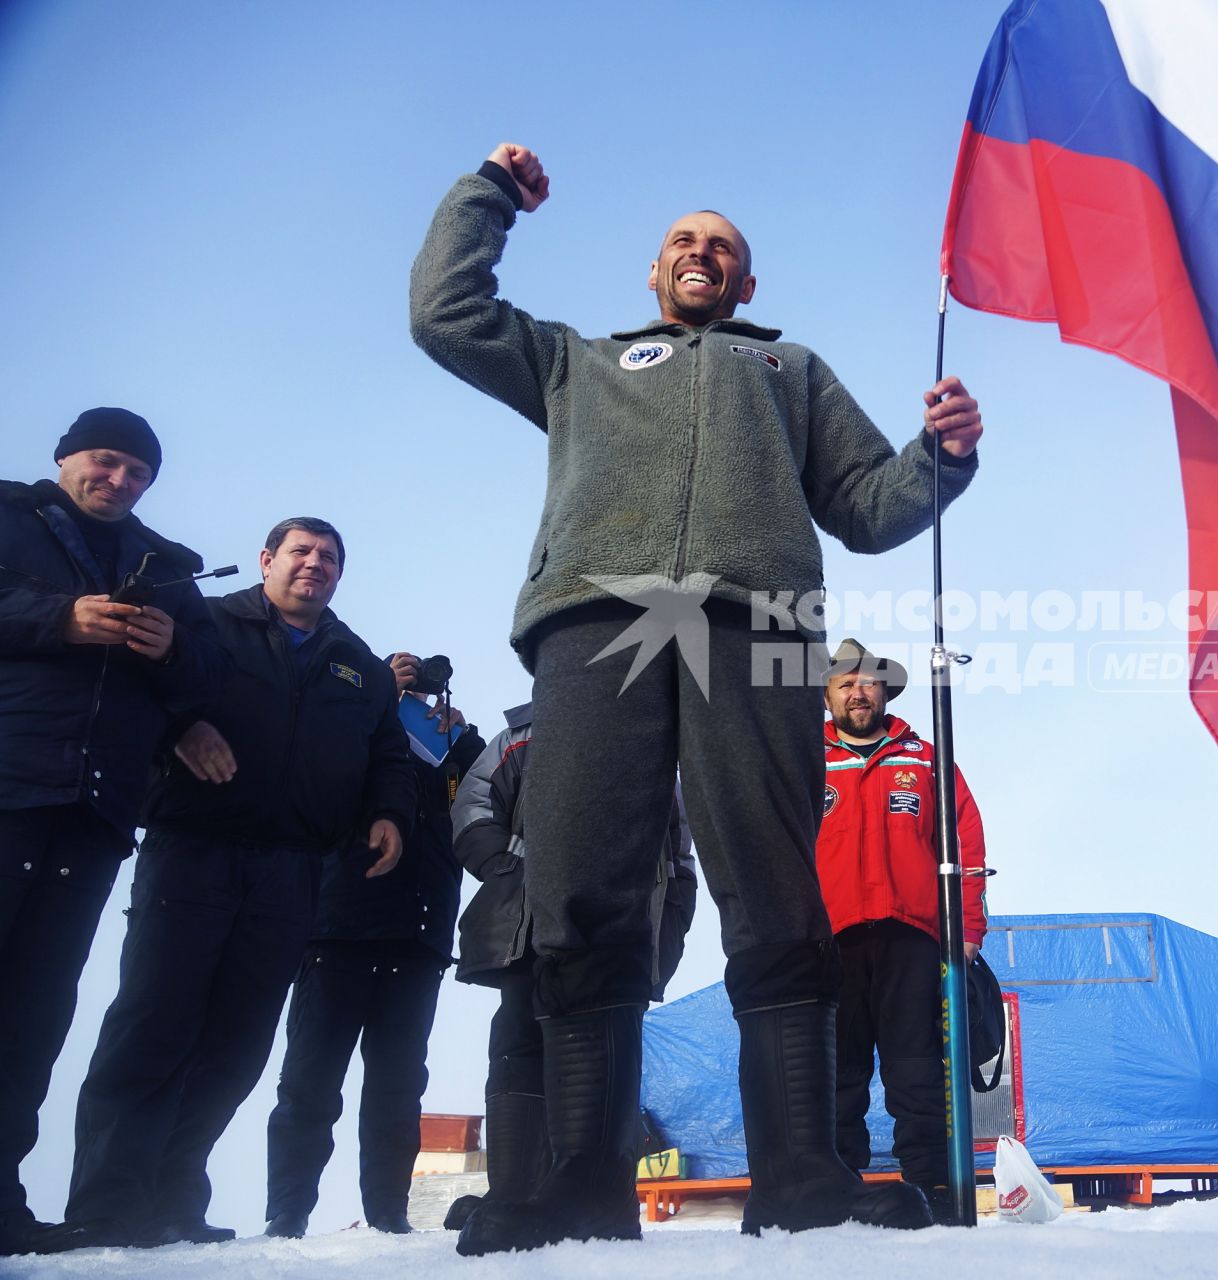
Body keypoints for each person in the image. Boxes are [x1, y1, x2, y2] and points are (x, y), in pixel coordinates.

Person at [409, 142, 982, 1251]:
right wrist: (488, 197)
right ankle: (580, 1181)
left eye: (720, 246)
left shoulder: (792, 371)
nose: (699, 254)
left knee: (773, 882)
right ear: (653, 271)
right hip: (596, 617)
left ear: (747, 283)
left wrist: (940, 458)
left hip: (756, 625)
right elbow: (444, 312)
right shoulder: (577, 361)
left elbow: (869, 504)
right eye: (682, 241)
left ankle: (803, 1176)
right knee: (579, 883)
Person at [42, 517, 414, 1251]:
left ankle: (176, 1198)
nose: (316, 565)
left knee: (238, 1041)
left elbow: (388, 754)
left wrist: (390, 814)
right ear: (267, 559)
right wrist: (180, 727)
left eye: (330, 557)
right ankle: (106, 1203)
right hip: (194, 849)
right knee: (153, 1023)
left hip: (293, 869)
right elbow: (132, 696)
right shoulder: (205, 626)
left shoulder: (359, 666)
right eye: (302, 552)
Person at [0, 410, 224, 1256]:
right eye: (106, 462)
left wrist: (169, 648)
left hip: (94, 812)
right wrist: (58, 618)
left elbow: (210, 671)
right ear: (65, 459)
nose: (120, 480)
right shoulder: (7, 520)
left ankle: (4, 1207)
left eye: (137, 472)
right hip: (8, 783)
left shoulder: (164, 567)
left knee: (35, 1013)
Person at [438, 702, 698, 1233]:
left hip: (618, 931)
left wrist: (669, 922)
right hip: (530, 927)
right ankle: (512, 1194)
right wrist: (518, 868)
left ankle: (598, 1196)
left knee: (605, 1048)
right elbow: (472, 807)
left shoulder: (656, 737)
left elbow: (680, 854)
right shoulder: (520, 734)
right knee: (518, 1041)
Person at [262, 653, 486, 1238]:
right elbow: (318, 770)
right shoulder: (352, 723)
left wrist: (462, 737)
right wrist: (376, 697)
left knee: (398, 1086)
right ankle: (286, 1214)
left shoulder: (445, 744)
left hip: (417, 936)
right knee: (309, 1080)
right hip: (337, 927)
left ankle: (389, 1213)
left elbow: (483, 797)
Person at [814, 639, 987, 1223]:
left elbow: (964, 841)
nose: (857, 692)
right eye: (844, 684)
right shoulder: (808, 760)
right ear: (827, 695)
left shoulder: (927, 759)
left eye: (867, 682)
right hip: (831, 939)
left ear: (884, 691)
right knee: (836, 1072)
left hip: (910, 937)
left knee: (916, 1069)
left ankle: (937, 1188)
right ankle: (838, 1188)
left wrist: (966, 925)